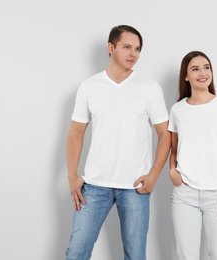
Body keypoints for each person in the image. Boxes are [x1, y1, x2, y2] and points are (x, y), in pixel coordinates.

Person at [65, 25, 171, 260]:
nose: (133, 54)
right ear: (111, 48)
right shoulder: (89, 87)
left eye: (137, 49)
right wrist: (72, 174)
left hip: (135, 187)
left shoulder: (150, 88)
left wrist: (154, 175)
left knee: (135, 255)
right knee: (76, 253)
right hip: (93, 185)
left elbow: (165, 134)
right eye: (127, 47)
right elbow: (76, 132)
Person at [168, 51, 217, 260]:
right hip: (184, 195)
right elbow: (174, 148)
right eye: (195, 69)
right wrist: (172, 169)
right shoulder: (177, 110)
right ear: (186, 76)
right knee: (186, 255)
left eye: (206, 67)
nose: (203, 73)